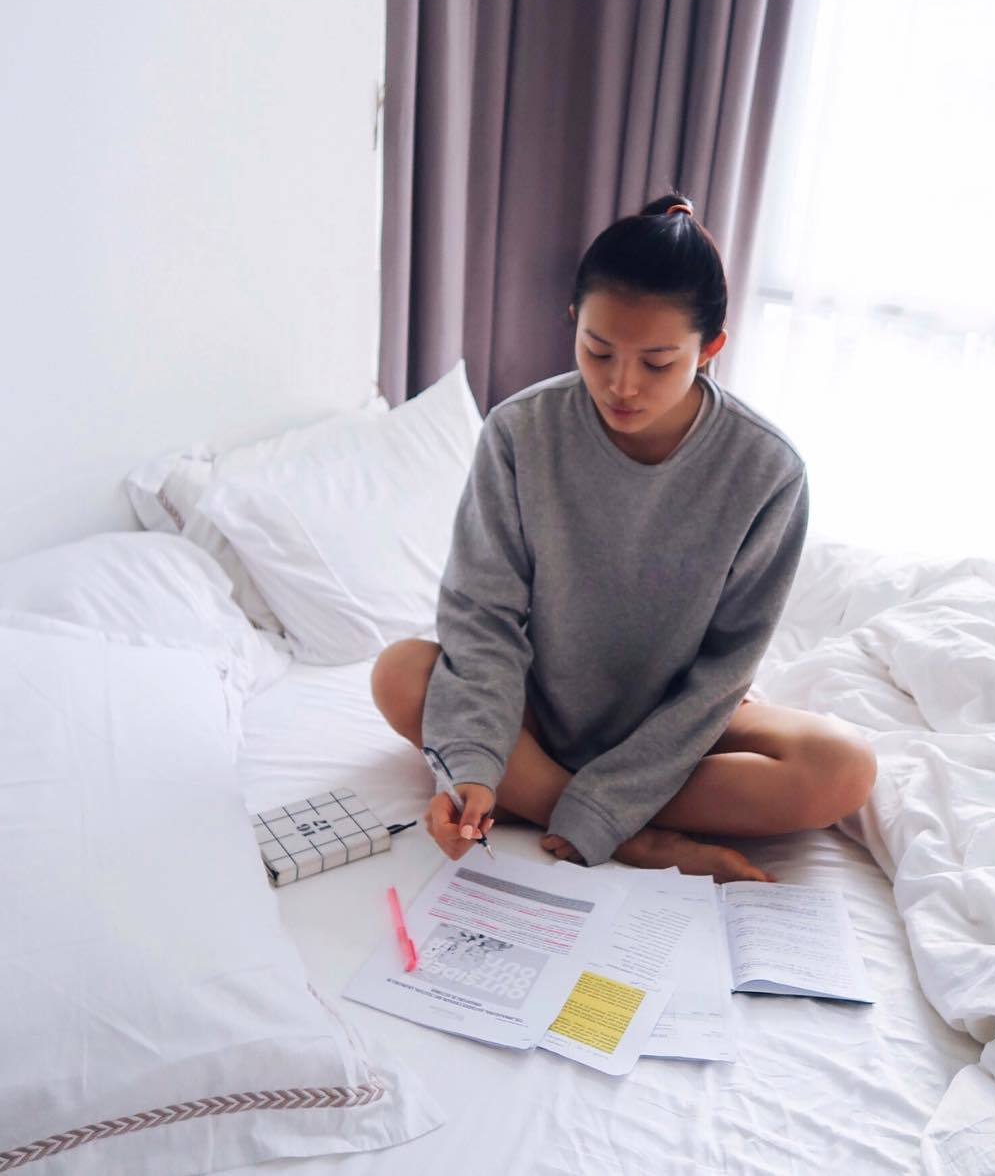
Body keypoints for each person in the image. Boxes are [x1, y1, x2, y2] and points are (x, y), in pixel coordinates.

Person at [372, 193, 877, 882]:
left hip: (676, 730)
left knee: (843, 769)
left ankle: (576, 806)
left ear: (711, 350)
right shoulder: (520, 432)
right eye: (597, 350)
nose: (621, 385)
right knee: (400, 674)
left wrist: (606, 801)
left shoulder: (768, 469)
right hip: (538, 706)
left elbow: (727, 668)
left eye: (657, 363)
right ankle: (632, 834)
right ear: (573, 321)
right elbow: (481, 614)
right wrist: (478, 771)